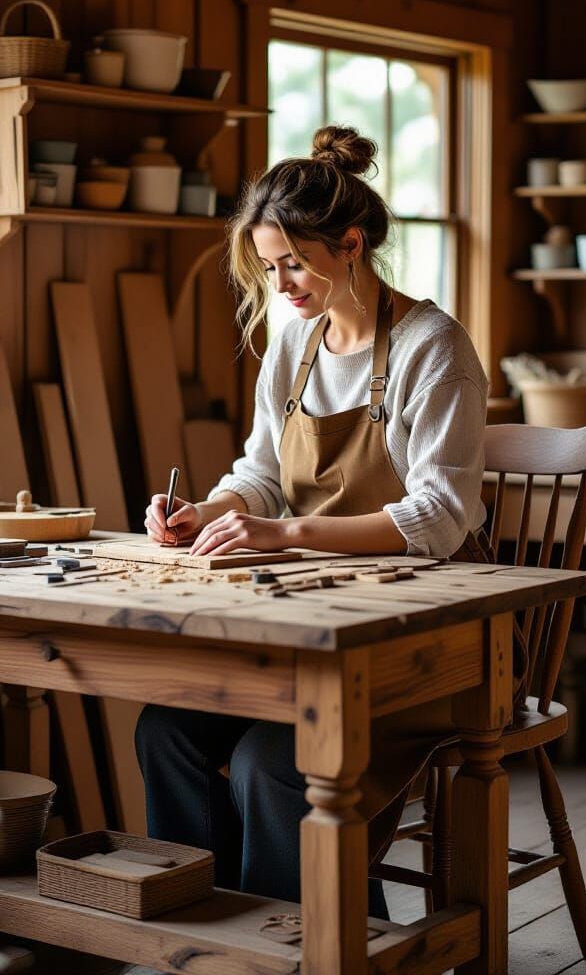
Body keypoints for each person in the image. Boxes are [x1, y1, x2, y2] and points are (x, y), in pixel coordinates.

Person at [135, 125, 489, 919]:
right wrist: (209, 512)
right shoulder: (293, 342)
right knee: (166, 730)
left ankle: (308, 948)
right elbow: (262, 475)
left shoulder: (434, 349)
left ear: (352, 244)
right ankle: (205, 937)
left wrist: (284, 535)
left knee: (270, 762)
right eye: (269, 266)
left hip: (426, 642)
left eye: (294, 261)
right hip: (309, 631)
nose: (282, 283)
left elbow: (437, 517)